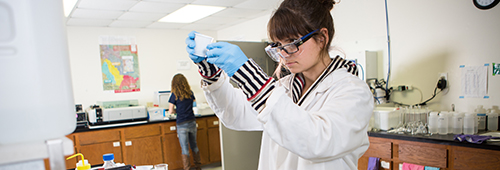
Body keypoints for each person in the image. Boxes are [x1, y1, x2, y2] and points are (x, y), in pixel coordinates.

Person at [185, 0, 373, 169]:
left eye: (292, 43)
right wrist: (210, 73)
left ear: (321, 38)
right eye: (277, 45)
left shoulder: (353, 91)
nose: (283, 54)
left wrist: (250, 76)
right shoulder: (284, 87)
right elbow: (236, 113)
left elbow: (318, 141)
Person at [168, 74, 201, 170]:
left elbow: (170, 111)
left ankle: (187, 168)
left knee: (185, 148)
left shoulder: (174, 95)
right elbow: (194, 103)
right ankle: (198, 167)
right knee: (194, 145)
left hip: (182, 124)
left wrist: (176, 111)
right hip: (192, 122)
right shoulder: (190, 93)